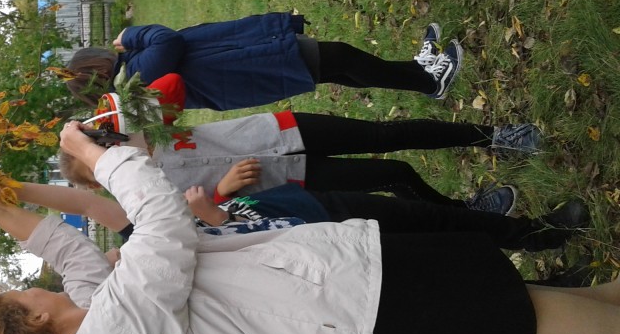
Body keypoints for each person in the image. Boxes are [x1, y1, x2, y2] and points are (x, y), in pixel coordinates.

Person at [0, 122, 620, 334]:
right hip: (355, 315)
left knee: (512, 294)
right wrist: (97, 156)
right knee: (520, 315)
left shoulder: (97, 319)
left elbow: (70, 251)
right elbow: (158, 221)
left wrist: (0, 206)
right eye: (20, 296)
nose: (32, 288)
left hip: (344, 295)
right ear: (33, 321)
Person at [60, 108, 542, 215]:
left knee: (386, 134)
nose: (110, 152)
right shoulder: (139, 196)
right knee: (394, 174)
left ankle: (494, 137)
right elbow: (194, 221)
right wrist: (224, 189)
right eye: (98, 158)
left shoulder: (140, 131)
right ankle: (465, 214)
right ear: (100, 180)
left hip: (281, 131)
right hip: (288, 177)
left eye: (102, 145)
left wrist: (93, 127)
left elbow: (165, 90)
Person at [0, 175, 586, 251]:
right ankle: (546, 272)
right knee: (437, 250)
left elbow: (84, 201)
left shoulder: (137, 216)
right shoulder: (152, 249)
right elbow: (223, 243)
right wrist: (210, 213)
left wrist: (12, 188)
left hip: (313, 206)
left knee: (426, 218)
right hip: (329, 247)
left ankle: (536, 233)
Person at [65, 15, 463, 109]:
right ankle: (429, 81)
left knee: (337, 66)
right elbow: (168, 40)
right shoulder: (134, 75)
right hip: (254, 67)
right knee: (340, 56)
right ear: (98, 68)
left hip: (250, 66)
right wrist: (131, 35)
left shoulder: (131, 78)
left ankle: (418, 71)